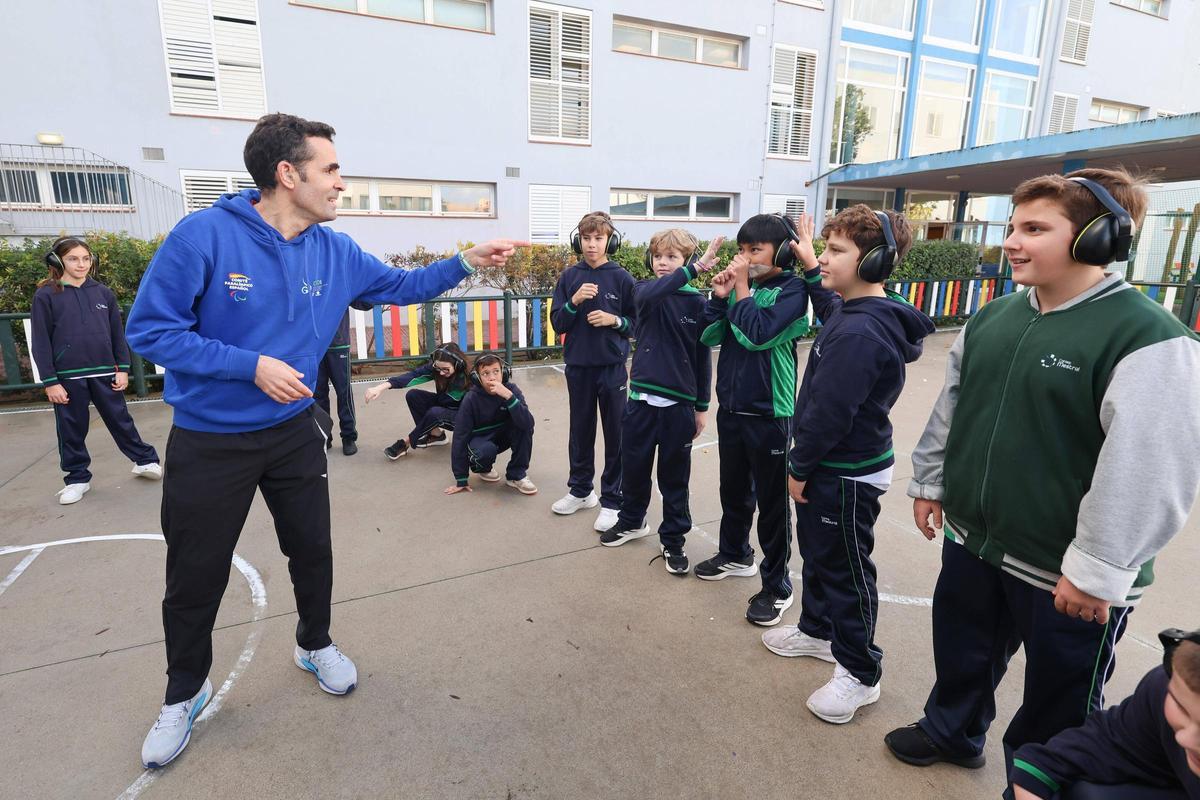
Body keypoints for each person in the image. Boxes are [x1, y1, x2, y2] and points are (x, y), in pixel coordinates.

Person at [124, 112, 526, 769]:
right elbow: (149, 332)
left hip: (291, 435)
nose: (342, 183)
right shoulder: (203, 237)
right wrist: (247, 364)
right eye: (331, 169)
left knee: (311, 549)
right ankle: (184, 691)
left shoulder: (334, 250)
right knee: (194, 576)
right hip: (209, 440)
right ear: (288, 174)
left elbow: (401, 288)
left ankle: (314, 644)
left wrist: (465, 261)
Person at [884, 168, 1200, 789]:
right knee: (963, 652)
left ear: (1096, 240)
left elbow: (1149, 467)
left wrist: (1098, 569)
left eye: (1034, 228)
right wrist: (930, 482)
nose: (1011, 241)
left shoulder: (1148, 337)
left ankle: (1038, 783)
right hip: (976, 541)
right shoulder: (994, 316)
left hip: (1068, 575)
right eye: (1011, 226)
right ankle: (953, 729)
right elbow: (953, 405)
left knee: (1060, 700)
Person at [760, 208, 933, 724]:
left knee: (845, 570)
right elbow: (825, 296)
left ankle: (860, 673)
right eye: (826, 248)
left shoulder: (859, 332)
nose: (823, 259)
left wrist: (798, 465)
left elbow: (830, 413)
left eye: (837, 251)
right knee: (820, 553)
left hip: (843, 470)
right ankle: (816, 631)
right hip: (834, 465)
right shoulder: (855, 309)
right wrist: (816, 261)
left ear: (876, 261)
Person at [693, 213, 812, 626]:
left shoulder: (793, 291)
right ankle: (735, 553)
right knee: (734, 491)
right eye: (741, 250)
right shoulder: (747, 290)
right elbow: (709, 337)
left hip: (771, 414)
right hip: (733, 409)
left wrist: (739, 290)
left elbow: (759, 334)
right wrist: (719, 297)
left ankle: (777, 585)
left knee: (773, 504)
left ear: (780, 252)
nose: (745, 257)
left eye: (754, 250)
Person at [598, 229, 718, 575]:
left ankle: (674, 540)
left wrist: (701, 406)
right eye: (658, 257)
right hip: (640, 403)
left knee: (674, 479)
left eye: (673, 257)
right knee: (633, 470)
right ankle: (632, 521)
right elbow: (656, 291)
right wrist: (693, 270)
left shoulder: (697, 302)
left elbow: (701, 357)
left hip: (679, 407)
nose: (663, 263)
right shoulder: (643, 291)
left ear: (687, 260)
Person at [30, 236, 162, 505]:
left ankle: (145, 460)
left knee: (120, 420)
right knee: (71, 429)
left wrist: (122, 369)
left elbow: (116, 334)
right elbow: (41, 341)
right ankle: (77, 479)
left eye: (86, 258)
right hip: (67, 378)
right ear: (57, 261)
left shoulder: (103, 293)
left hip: (105, 372)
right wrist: (50, 381)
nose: (81, 264)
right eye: (73, 259)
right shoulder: (46, 296)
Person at [1012, 628, 1200, 800]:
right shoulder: (1165, 689)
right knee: (1084, 792)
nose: (1184, 738)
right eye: (1181, 708)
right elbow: (1057, 759)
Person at [549, 211, 636, 531]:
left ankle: (613, 500)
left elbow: (636, 324)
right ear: (578, 240)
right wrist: (573, 302)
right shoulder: (569, 277)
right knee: (580, 432)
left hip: (612, 369)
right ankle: (581, 491)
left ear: (609, 241)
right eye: (586, 238)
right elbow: (558, 321)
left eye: (598, 238)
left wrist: (614, 321)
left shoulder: (623, 278)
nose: (591, 244)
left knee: (616, 435)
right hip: (578, 368)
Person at [444, 353, 536, 496]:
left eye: (496, 371)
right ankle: (483, 468)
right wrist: (461, 478)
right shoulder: (471, 399)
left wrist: (509, 397)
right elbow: (460, 437)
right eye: (485, 373)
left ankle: (516, 475)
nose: (492, 377)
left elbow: (528, 422)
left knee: (523, 426)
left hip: (502, 435)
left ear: (503, 372)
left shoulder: (511, 390)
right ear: (477, 378)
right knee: (484, 451)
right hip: (480, 441)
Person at [363, 342, 470, 459]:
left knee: (435, 413)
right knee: (413, 396)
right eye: (438, 368)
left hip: (465, 418)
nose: (440, 372)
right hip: (445, 407)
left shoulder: (470, 378)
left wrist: (410, 438)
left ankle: (405, 443)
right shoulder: (438, 369)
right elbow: (413, 375)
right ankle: (436, 436)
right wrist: (380, 387)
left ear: (458, 365)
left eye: (446, 369)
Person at [313, 302, 371, 456]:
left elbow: (366, 303)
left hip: (338, 344)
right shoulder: (308, 279)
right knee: (317, 395)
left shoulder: (341, 278)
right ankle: (324, 436)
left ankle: (348, 436)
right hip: (315, 346)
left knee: (344, 393)